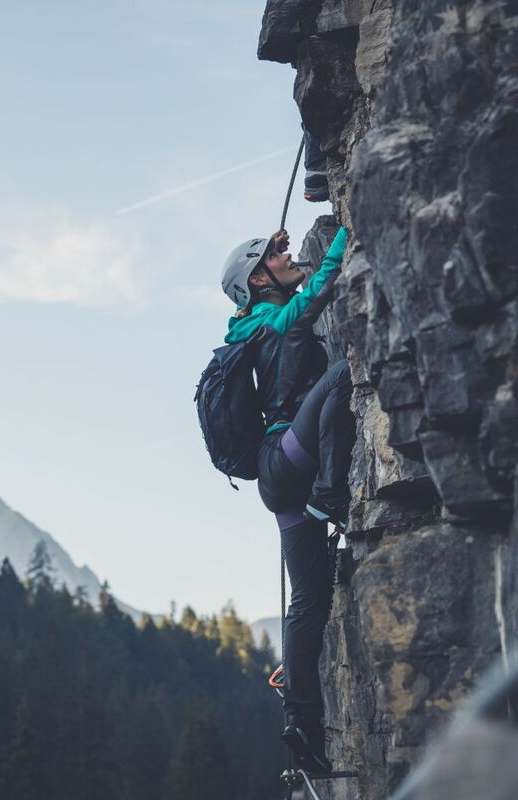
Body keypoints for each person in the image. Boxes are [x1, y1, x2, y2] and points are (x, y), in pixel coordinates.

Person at [219, 225, 354, 773]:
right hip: (288, 459)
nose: (288, 253)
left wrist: (269, 252)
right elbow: (319, 288)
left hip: (277, 479)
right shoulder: (273, 320)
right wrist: (345, 232)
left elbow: (295, 292)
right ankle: (329, 496)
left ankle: (302, 723)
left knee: (308, 601)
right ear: (258, 280)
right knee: (344, 375)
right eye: (275, 255)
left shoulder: (252, 325)